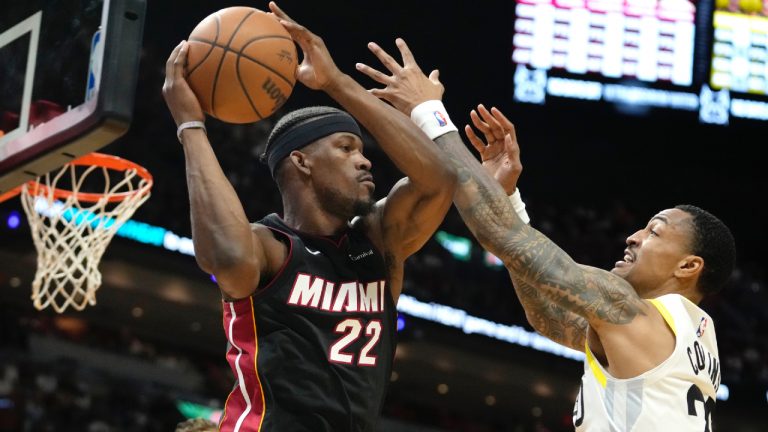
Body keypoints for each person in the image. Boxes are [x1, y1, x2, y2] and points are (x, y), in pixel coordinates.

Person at [356, 40, 736, 431]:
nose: (633, 238)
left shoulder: (631, 311)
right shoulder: (691, 337)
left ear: (689, 265)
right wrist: (507, 197)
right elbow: (549, 317)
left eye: (654, 231)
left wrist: (428, 112)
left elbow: (502, 234)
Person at [161, 3, 457, 431]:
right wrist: (191, 127)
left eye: (362, 149)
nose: (364, 162)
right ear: (300, 161)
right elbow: (225, 253)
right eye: (345, 148)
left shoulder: (378, 243)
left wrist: (335, 82)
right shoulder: (269, 248)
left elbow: (438, 181)